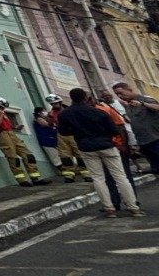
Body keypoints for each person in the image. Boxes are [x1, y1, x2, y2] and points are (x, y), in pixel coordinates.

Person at [57, 88, 142, 217]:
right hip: (106, 145)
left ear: (71, 98)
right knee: (120, 176)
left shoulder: (65, 114)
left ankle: (109, 208)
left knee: (98, 178)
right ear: (85, 98)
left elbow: (63, 132)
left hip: (86, 147)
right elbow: (114, 130)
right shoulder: (98, 111)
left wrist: (78, 133)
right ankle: (133, 207)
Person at [0, 97, 48, 187]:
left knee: (28, 155)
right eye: (1, 107)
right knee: (13, 158)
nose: (3, 109)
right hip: (2, 136)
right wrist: (1, 114)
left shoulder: (3, 114)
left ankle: (36, 178)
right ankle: (22, 180)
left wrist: (15, 128)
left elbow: (7, 126)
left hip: (12, 134)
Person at [112, 81, 159, 175]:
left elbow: (157, 107)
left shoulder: (144, 99)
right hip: (144, 142)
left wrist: (143, 104)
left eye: (121, 93)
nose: (120, 96)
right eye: (117, 94)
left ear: (129, 89)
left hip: (155, 139)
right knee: (156, 168)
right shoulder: (129, 106)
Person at [45, 94, 91, 182]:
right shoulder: (51, 113)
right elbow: (50, 124)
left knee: (79, 154)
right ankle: (69, 175)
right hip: (61, 134)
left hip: (73, 133)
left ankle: (86, 174)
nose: (53, 106)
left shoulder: (68, 110)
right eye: (52, 104)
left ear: (60, 102)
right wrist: (49, 119)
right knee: (64, 156)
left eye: (55, 104)